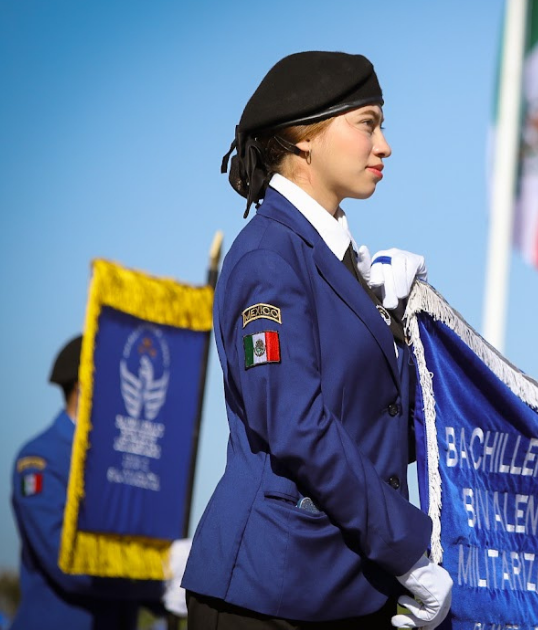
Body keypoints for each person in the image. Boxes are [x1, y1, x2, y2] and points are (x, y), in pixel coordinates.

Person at [181, 51, 449, 629]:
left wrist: (403, 327)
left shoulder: (334, 261)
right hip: (273, 590)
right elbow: (299, 429)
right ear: (305, 138)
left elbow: (382, 429)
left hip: (342, 586)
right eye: (368, 123)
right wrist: (405, 549)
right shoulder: (269, 257)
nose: (385, 145)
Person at [10, 335, 188, 629]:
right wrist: (159, 576)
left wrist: (182, 582)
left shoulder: (113, 461)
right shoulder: (40, 460)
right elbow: (67, 562)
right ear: (85, 387)